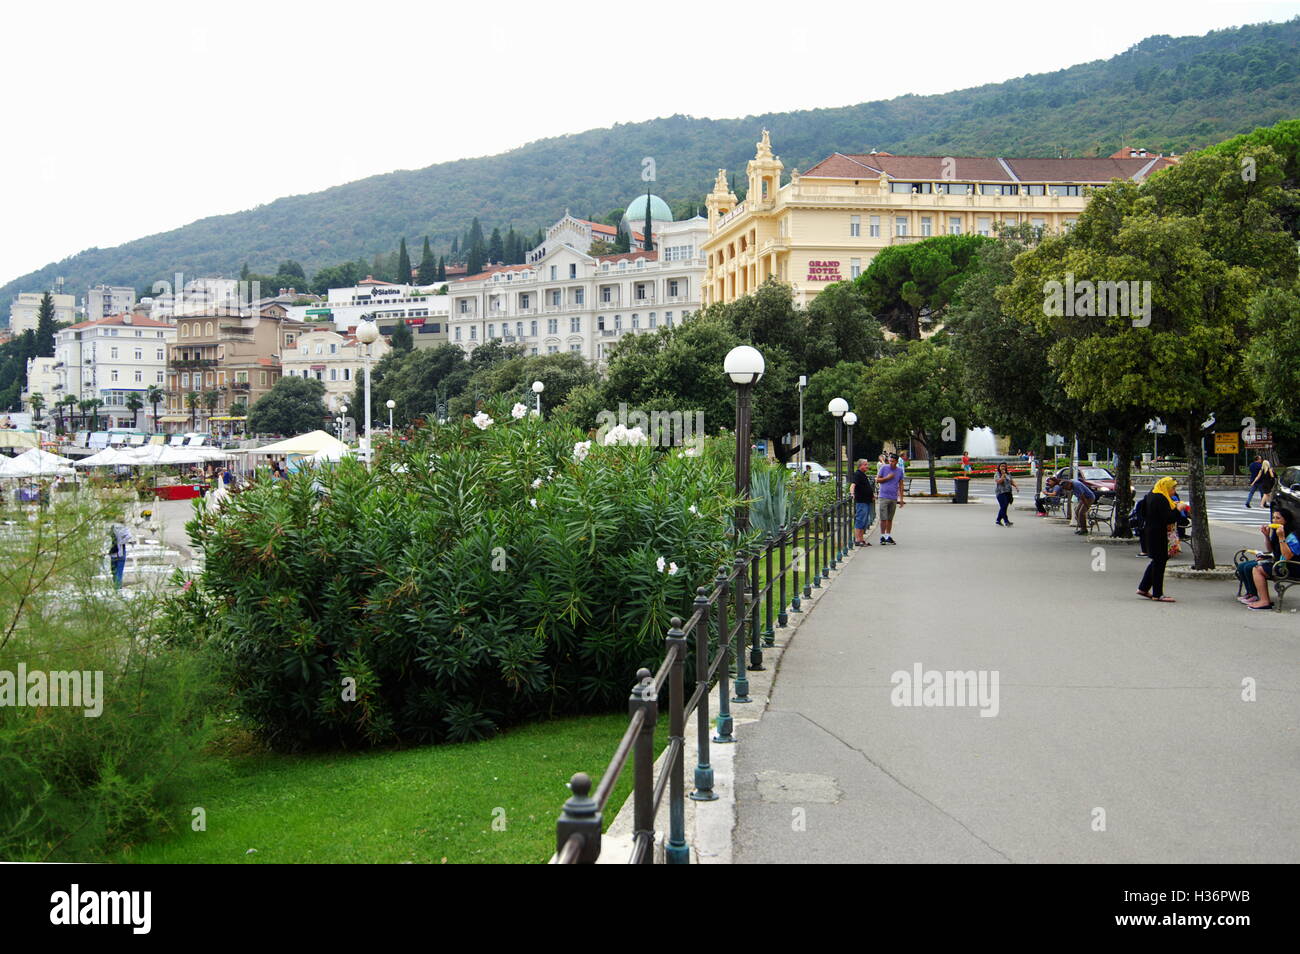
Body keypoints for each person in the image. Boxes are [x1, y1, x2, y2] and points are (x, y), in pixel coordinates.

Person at [1240, 510, 1299, 610]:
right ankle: (1251, 593)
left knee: (1257, 569)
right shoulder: (1277, 532)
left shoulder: (1294, 536)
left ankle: (1264, 601)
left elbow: (1287, 555)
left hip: (1292, 566)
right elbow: (1270, 549)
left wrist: (1281, 537)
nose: (1274, 520)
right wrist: (1266, 536)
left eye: (1278, 518)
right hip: (1279, 562)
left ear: (1286, 520)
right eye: (1273, 517)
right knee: (1244, 566)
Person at [1137, 477, 1181, 603]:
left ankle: (1143, 588)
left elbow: (1144, 511)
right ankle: (1158, 593)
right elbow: (1169, 518)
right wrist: (1178, 509)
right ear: (1166, 487)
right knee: (1159, 562)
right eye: (1173, 488)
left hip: (1151, 531)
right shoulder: (1161, 498)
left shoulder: (1152, 494)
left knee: (1157, 560)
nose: (1174, 490)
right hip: (1159, 533)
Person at [876, 452, 905, 545]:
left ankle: (887, 536)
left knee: (889, 518)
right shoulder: (884, 468)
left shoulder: (899, 471)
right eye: (890, 461)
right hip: (883, 496)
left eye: (893, 461)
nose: (891, 463)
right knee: (883, 518)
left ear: (897, 462)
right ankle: (882, 536)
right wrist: (887, 478)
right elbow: (878, 480)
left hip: (893, 497)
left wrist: (901, 499)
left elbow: (901, 484)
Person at [850, 458, 875, 546]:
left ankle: (861, 539)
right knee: (860, 520)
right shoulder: (857, 474)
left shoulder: (863, 474)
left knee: (864, 521)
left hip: (866, 501)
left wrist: (872, 495)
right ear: (860, 466)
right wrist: (852, 493)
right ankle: (857, 539)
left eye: (867, 464)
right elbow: (853, 484)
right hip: (861, 501)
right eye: (865, 465)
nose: (867, 466)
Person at [108, 521, 134, 590]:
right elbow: (129, 536)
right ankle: (117, 588)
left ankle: (116, 587)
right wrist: (122, 542)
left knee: (114, 572)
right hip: (121, 552)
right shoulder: (124, 528)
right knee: (119, 572)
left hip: (113, 553)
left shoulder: (112, 527)